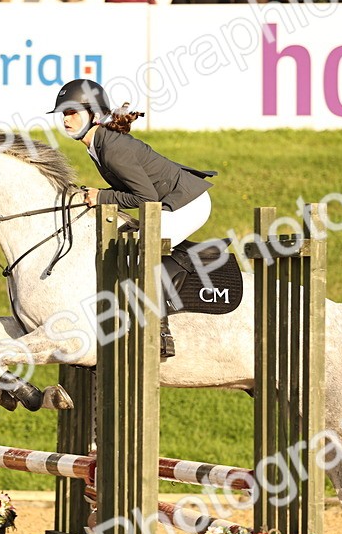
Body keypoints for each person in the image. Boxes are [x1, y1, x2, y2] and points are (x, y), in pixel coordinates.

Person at [48, 78, 218, 357]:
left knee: (140, 249)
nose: (66, 120)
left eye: (72, 113)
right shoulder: (98, 144)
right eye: (64, 114)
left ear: (93, 114)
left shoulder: (112, 149)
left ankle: (160, 332)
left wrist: (102, 197)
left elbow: (146, 199)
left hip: (189, 203)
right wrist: (100, 195)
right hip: (169, 201)